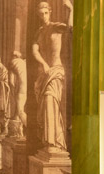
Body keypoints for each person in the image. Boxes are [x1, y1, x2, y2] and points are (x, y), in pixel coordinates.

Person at [32, 0, 72, 152]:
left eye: (46, 13)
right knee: (44, 107)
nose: (43, 16)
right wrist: (43, 64)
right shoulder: (39, 32)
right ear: (38, 14)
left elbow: (69, 28)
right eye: (41, 14)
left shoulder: (56, 27)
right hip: (45, 72)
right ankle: (48, 141)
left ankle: (54, 141)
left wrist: (70, 9)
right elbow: (35, 51)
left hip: (56, 70)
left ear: (50, 12)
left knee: (50, 100)